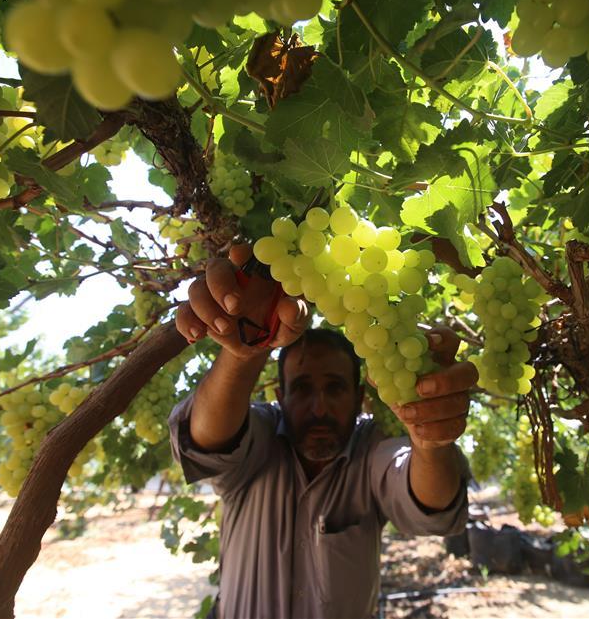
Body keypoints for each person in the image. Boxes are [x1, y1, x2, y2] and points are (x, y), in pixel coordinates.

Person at [169, 244, 477, 619]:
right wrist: (244, 350)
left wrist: (431, 444)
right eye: (301, 389)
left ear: (361, 396)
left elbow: (434, 506)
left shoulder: (370, 450)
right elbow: (205, 441)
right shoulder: (259, 439)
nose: (318, 407)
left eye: (334, 388)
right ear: (279, 396)